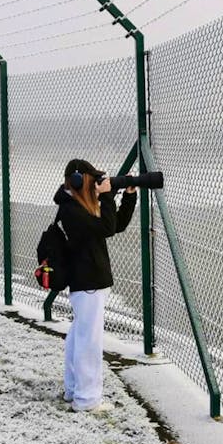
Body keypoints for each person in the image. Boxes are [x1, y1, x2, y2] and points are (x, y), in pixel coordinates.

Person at [55, 158, 137, 413]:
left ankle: (74, 389)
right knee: (89, 341)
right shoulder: (71, 211)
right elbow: (107, 227)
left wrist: (129, 197)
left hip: (88, 282)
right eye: (92, 181)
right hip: (88, 282)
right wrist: (108, 196)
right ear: (80, 181)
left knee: (79, 336)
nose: (96, 185)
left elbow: (115, 224)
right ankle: (87, 399)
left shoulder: (76, 206)